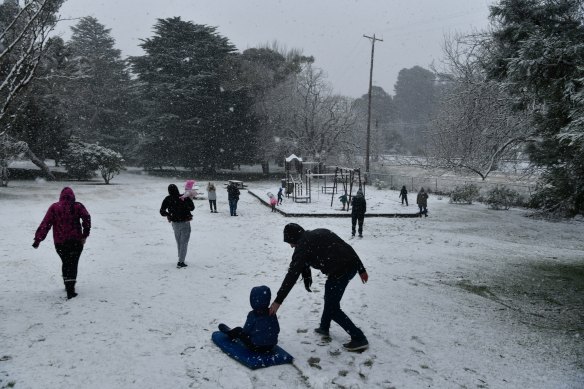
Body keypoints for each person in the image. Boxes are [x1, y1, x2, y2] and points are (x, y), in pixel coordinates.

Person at [269, 223, 370, 352]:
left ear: (295, 238)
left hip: (342, 270)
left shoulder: (303, 247)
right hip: (345, 267)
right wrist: (360, 268)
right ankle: (324, 327)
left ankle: (359, 338)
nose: (291, 246)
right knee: (330, 297)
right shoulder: (318, 233)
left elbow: (292, 275)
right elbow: (347, 247)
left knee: (332, 307)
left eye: (290, 242)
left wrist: (278, 301)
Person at [32, 187, 91, 299]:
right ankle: (70, 289)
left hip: (60, 242)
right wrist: (85, 234)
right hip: (76, 241)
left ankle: (67, 285)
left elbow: (46, 224)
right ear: (73, 196)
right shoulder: (78, 206)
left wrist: (38, 239)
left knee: (66, 262)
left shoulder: (54, 207)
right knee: (73, 263)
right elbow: (87, 217)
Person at [218, 285, 280, 353]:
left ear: (252, 300)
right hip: (271, 346)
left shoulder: (253, 315)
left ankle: (229, 333)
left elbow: (246, 331)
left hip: (255, 346)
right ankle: (265, 342)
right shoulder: (272, 313)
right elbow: (277, 329)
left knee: (239, 330)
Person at [160, 184, 195, 268]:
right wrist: (188, 200)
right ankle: (181, 261)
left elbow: (162, 211)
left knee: (179, 241)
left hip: (175, 223)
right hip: (185, 222)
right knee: (184, 242)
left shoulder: (168, 199)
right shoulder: (184, 197)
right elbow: (192, 208)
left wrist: (169, 214)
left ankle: (180, 258)